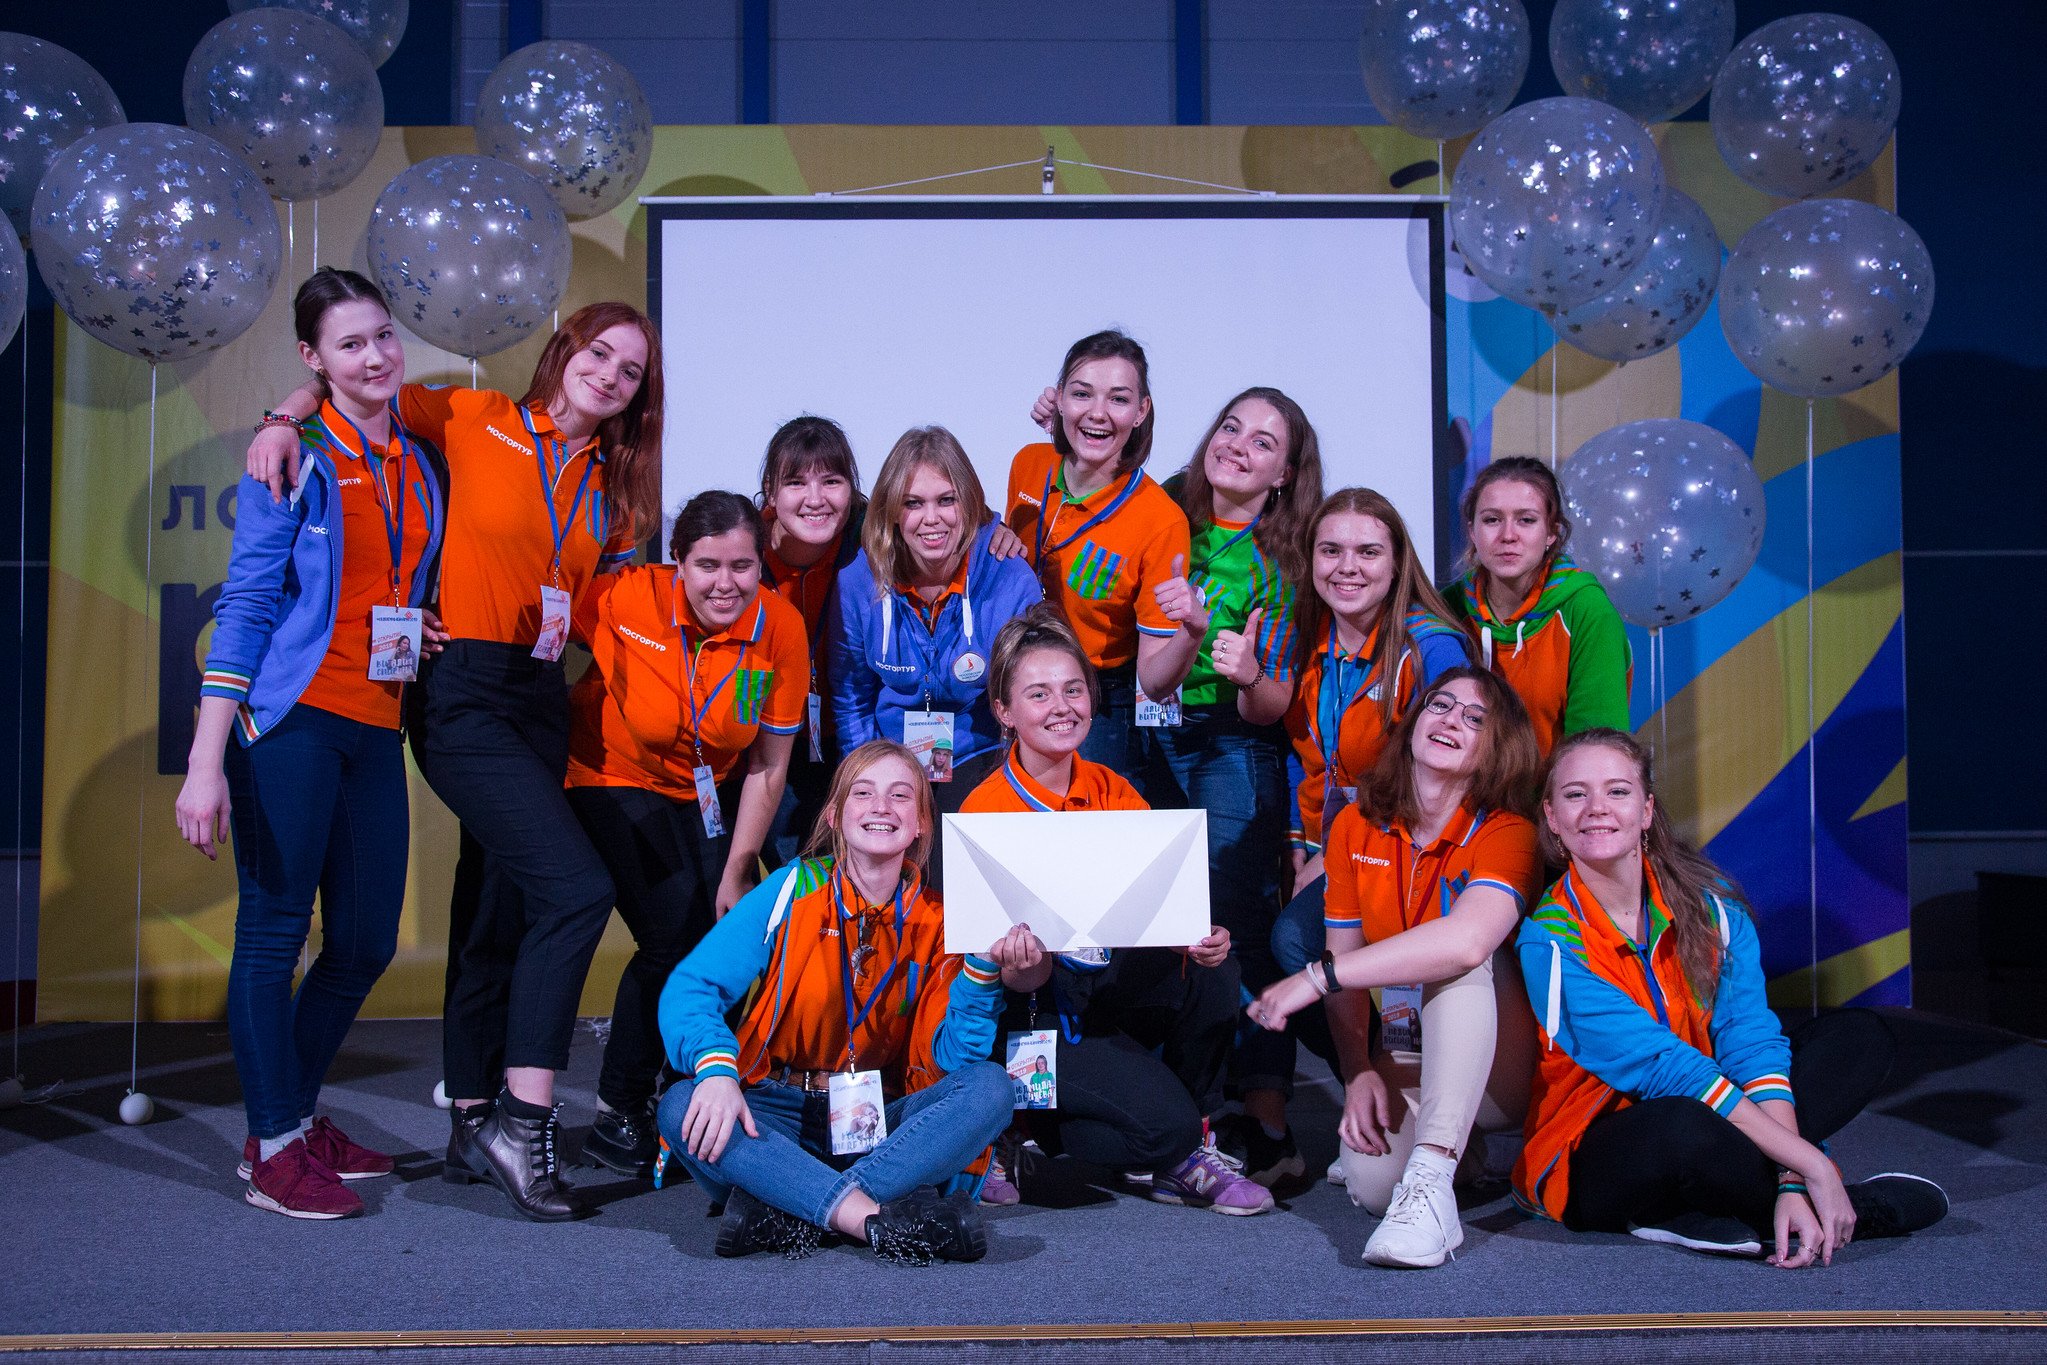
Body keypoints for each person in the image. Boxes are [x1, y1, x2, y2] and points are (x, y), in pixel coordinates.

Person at [248, 300, 663, 1221]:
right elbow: (355, 392)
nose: (609, 375)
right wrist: (282, 417)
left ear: (640, 394)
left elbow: (591, 605)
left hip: (540, 690)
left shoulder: (614, 489)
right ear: (564, 350)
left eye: (630, 370)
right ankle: (524, 1120)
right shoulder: (475, 416)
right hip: (461, 690)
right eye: (598, 352)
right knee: (574, 888)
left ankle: (471, 1120)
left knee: (493, 910)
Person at [178, 268, 447, 1218]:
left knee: (365, 939)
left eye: (383, 336)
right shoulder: (289, 459)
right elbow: (248, 604)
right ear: (312, 357)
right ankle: (273, 1148)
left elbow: (388, 582)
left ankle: (290, 1115)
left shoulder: (419, 458)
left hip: (375, 723)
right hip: (287, 723)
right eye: (349, 344)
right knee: (274, 935)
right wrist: (205, 761)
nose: (375, 357)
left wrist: (417, 621)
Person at [1514, 728, 1948, 1265]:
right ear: (1552, 818)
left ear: (1646, 810)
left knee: (1858, 1038)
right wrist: (1814, 1164)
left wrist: (1791, 1176)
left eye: (1617, 791)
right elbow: (1669, 1072)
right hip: (1603, 1150)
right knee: (1682, 1124)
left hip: (1717, 1111)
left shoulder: (1713, 911)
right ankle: (1854, 1210)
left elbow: (1749, 1043)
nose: (1596, 808)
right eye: (1575, 794)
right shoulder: (1549, 940)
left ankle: (1723, 1208)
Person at [656, 740, 1023, 1264]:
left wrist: (982, 971)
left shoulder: (940, 919)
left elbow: (956, 1059)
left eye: (901, 796)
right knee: (681, 1103)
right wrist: (715, 1071)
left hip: (881, 1123)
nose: (881, 807)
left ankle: (791, 1203)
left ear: (922, 823)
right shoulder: (791, 889)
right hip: (777, 1113)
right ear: (834, 814)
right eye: (863, 793)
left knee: (991, 1087)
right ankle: (871, 1216)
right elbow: (692, 988)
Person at [961, 605, 1266, 1215]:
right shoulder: (984, 813)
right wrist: (1023, 965)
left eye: (1074, 689)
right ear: (1004, 711)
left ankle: (1190, 1148)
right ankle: (1029, 1127)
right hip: (1037, 1010)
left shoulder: (1112, 789)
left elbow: (1152, 915)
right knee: (1161, 1126)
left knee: (1217, 971)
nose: (1062, 707)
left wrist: (1192, 937)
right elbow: (1002, 984)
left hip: (1106, 987)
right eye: (1039, 694)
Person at [1220, 487, 1475, 1187]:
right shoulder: (1310, 638)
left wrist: (1337, 856)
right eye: (1331, 550)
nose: (1347, 567)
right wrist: (1302, 844)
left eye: (1368, 551)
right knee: (1268, 939)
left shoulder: (1429, 646)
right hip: (1329, 844)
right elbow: (1298, 748)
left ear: (1397, 562)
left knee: (1297, 943)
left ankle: (1410, 1100)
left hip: (1410, 846)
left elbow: (1447, 770)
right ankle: (1377, 1094)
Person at [1250, 666, 1545, 1267]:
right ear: (1414, 721)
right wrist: (1356, 1070)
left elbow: (1467, 942)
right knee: (1372, 1186)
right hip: (1408, 1042)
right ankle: (1455, 1158)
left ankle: (1433, 1179)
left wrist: (1314, 977)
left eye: (1475, 719)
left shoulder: (1509, 833)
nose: (1451, 720)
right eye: (1440, 705)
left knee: (1454, 959)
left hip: (1507, 1065)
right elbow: (1343, 953)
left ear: (1497, 749)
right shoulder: (1355, 824)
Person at [564, 490, 809, 1176]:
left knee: (732, 931)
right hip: (608, 776)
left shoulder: (780, 627)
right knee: (671, 935)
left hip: (706, 790)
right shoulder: (626, 597)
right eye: (707, 565)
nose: (725, 583)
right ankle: (619, 1109)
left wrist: (738, 868)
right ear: (677, 561)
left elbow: (768, 766)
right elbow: (543, 602)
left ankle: (692, 1090)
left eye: (741, 566)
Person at [1145, 388, 1322, 1189]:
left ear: (1284, 472)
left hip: (1229, 743)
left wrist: (1248, 674)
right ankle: (1178, 1109)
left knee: (1237, 927)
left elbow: (1272, 703)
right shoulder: (1162, 517)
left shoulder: (1284, 561)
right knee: (1155, 923)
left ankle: (1268, 1122)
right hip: (1147, 731)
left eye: (1262, 442)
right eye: (1229, 427)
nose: (1238, 446)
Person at [1004, 330, 1197, 788]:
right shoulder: (1028, 464)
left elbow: (1154, 682)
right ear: (1058, 398)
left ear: (1141, 411)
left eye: (1119, 399)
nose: (1098, 412)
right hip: (1015, 676)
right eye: (1082, 394)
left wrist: (1192, 633)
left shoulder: (1161, 521)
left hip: (1097, 699)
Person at [825, 426, 1042, 813]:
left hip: (984, 755)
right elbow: (852, 700)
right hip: (890, 759)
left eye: (946, 500)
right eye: (913, 503)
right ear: (892, 510)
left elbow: (1029, 697)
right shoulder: (859, 581)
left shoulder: (1009, 577)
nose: (931, 519)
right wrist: (865, 783)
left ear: (969, 502)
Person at [1441, 456, 1629, 755]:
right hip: (1462, 786)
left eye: (1526, 520)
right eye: (1492, 520)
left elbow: (1595, 752)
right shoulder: (1447, 608)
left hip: (1556, 786)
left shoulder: (1587, 610)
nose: (1508, 536)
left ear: (1552, 532)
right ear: (1472, 532)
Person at [755, 416, 868, 865]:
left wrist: (994, 528)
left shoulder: (873, 537)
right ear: (770, 490)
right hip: (763, 739)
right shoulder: (743, 547)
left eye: (832, 481)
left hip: (847, 733)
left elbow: (949, 511)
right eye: (796, 482)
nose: (816, 499)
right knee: (791, 870)